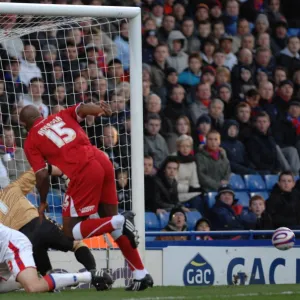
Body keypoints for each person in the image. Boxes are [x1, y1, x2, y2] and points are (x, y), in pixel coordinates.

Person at [19, 102, 153, 291]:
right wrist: (99, 109)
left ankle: (120, 220)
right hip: (101, 160)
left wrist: (42, 201)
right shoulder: (60, 115)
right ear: (40, 114)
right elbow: (82, 109)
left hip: (84, 171)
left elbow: (40, 175)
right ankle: (141, 274)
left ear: (25, 124)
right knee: (108, 222)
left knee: (70, 230)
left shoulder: (31, 140)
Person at [0, 166, 111, 290]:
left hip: (25, 240)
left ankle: (56, 282)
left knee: (44, 277)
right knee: (77, 244)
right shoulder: (12, 189)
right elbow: (42, 168)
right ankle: (94, 273)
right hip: (41, 225)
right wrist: (65, 176)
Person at [0, 223, 107, 293]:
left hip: (12, 245)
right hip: (3, 248)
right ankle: (26, 279)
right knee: (30, 283)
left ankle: (89, 276)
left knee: (33, 287)